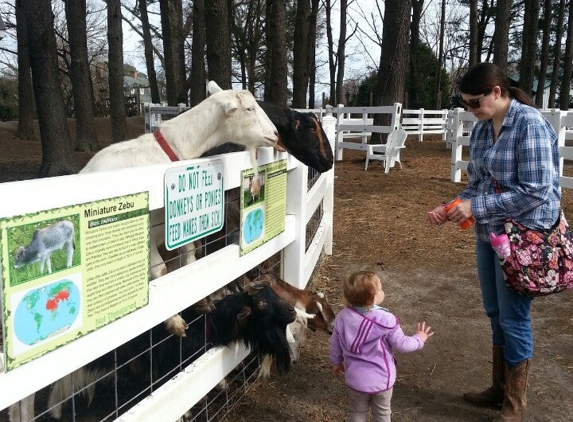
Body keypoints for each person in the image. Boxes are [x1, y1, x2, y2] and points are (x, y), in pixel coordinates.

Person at [427, 62, 561, 421]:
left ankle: (514, 405)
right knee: (494, 311)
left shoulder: (529, 125)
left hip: (523, 237)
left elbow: (535, 192)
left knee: (514, 316)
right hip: (490, 233)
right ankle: (498, 389)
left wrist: (476, 205)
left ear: (497, 93)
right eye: (466, 105)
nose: (470, 111)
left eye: (474, 103)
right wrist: (452, 206)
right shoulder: (484, 130)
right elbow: (478, 185)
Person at [329, 270, 434, 422]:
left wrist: (336, 362)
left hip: (355, 379)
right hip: (382, 380)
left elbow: (335, 343)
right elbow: (403, 345)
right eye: (380, 288)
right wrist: (419, 339)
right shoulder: (385, 320)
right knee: (382, 414)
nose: (382, 290)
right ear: (372, 297)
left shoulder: (342, 317)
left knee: (356, 412)